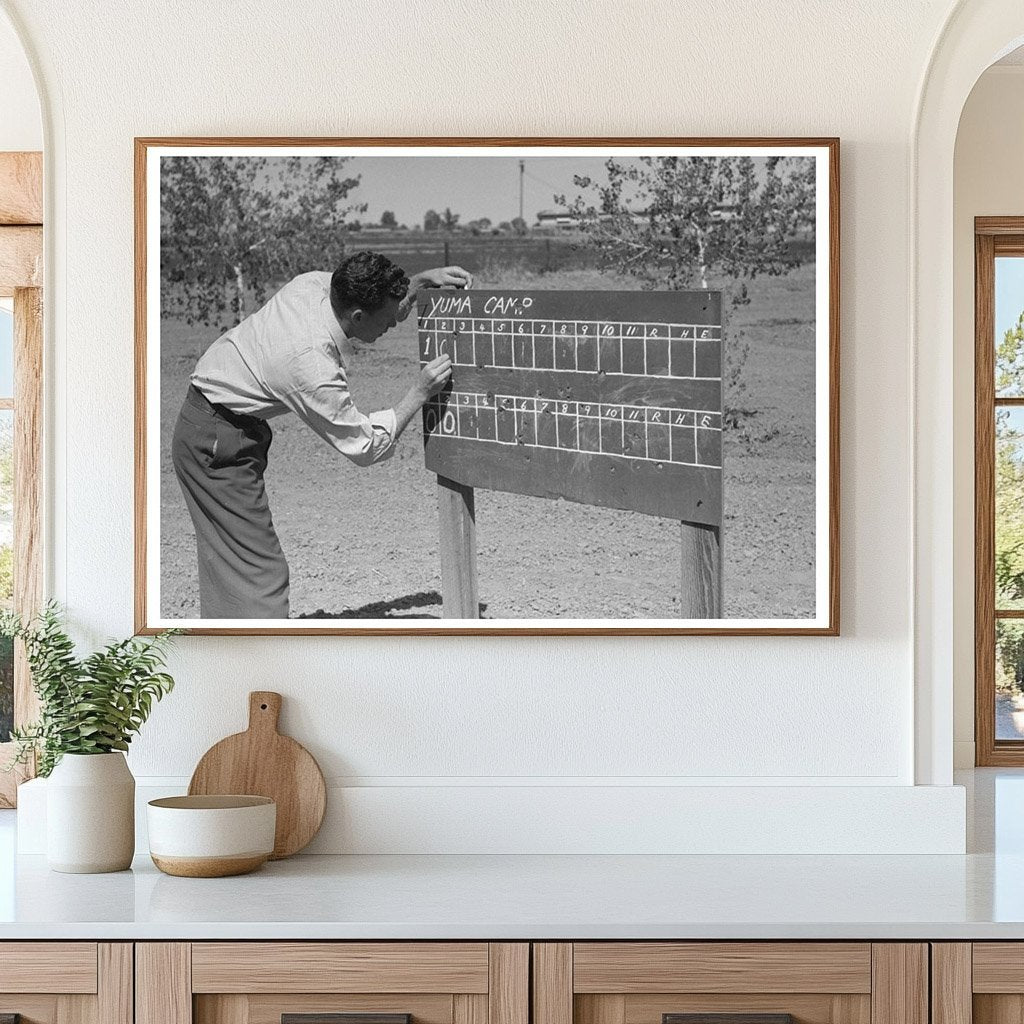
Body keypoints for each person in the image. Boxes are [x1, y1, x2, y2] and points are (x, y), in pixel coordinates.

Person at [171, 250, 472, 619]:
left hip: (212, 425)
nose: (394, 324)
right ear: (357, 316)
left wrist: (422, 280)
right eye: (387, 321)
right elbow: (363, 446)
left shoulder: (315, 285)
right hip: (216, 443)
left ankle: (225, 656)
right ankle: (261, 665)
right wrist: (418, 394)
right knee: (260, 575)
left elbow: (378, 302)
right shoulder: (309, 364)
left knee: (230, 566)